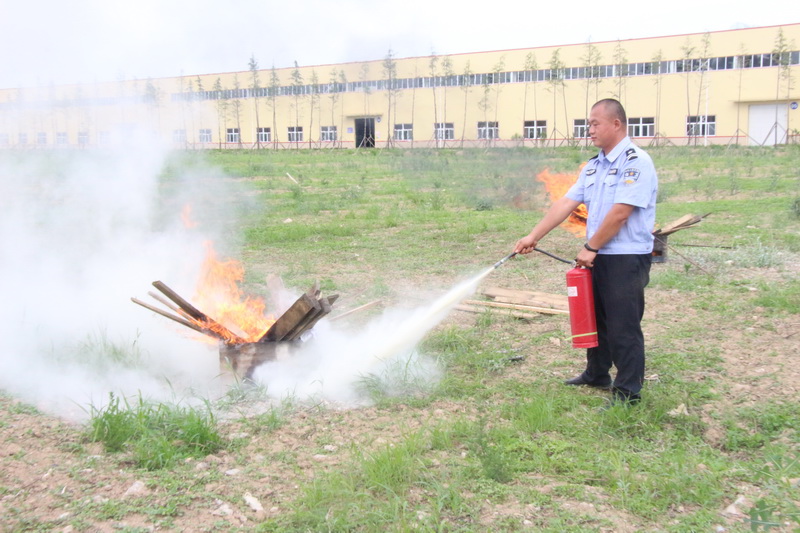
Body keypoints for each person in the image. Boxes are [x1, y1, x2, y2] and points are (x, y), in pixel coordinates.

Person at [514, 98, 658, 406]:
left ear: (616, 124)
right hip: (599, 256)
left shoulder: (635, 162)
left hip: (625, 256)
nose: (589, 129)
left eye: (595, 123)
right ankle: (597, 373)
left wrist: (591, 247)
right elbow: (565, 204)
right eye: (588, 124)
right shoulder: (593, 166)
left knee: (623, 325)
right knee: (597, 318)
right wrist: (533, 236)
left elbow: (621, 213)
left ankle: (627, 392)